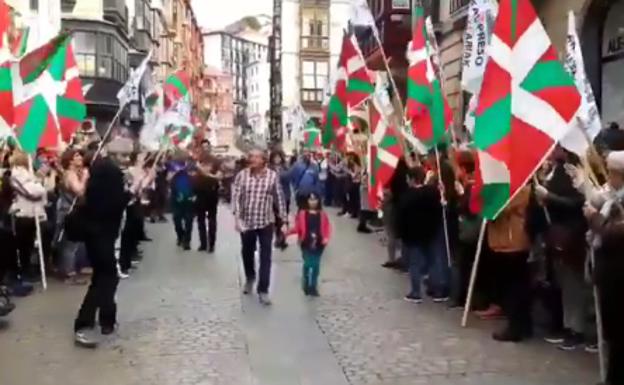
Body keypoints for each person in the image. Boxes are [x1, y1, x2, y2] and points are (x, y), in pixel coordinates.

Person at [535, 147, 591, 351]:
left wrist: (549, 196)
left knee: (575, 285)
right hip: (557, 233)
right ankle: (568, 326)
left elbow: (576, 202)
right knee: (564, 284)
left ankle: (578, 329)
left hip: (573, 235)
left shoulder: (578, 172)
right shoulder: (557, 169)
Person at [74, 146, 127, 348]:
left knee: (101, 278)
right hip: (102, 239)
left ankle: (106, 320)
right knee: (106, 280)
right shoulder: (111, 194)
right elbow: (119, 204)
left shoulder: (95, 190)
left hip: (94, 239)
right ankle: (89, 322)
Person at [584, 150, 624, 385]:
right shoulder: (613, 196)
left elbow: (614, 233)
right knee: (612, 331)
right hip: (609, 271)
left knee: (619, 332)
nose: (608, 177)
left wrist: (594, 217)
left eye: (612, 173)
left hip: (619, 272)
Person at [231, 148, 287, 306]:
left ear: (264, 160)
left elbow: (279, 197)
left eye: (257, 157)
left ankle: (263, 289)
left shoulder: (272, 176)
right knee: (247, 251)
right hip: (247, 221)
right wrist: (236, 218)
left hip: (265, 221)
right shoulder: (242, 175)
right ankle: (250, 277)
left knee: (266, 256)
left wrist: (283, 219)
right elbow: (235, 196)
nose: (253, 159)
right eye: (251, 156)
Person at [488, 186, 533, 342]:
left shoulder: (519, 187)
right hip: (509, 240)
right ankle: (523, 325)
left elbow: (496, 209)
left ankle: (515, 327)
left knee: (514, 286)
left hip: (512, 241)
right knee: (518, 284)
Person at [396, 166, 445, 303]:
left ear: (412, 179)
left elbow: (402, 218)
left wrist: (401, 234)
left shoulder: (407, 196)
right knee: (433, 262)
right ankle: (437, 291)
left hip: (413, 236)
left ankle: (415, 292)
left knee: (415, 264)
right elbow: (439, 210)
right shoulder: (433, 193)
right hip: (430, 232)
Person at [9, 151, 47, 282]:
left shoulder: (27, 173)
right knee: (24, 244)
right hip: (23, 212)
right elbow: (33, 192)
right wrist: (39, 185)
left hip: (31, 212)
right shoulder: (18, 175)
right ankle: (25, 271)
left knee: (28, 243)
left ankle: (28, 269)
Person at [56, 149, 89, 284]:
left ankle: (70, 269)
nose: (80, 158)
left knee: (72, 243)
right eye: (76, 156)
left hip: (72, 210)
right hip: (68, 211)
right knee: (69, 244)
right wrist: (85, 178)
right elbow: (79, 191)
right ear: (70, 160)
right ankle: (68, 274)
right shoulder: (70, 175)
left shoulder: (73, 173)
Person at [289, 192, 331, 297]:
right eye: (311, 200)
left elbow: (327, 228)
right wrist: (287, 232)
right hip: (306, 243)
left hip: (318, 243)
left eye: (315, 200)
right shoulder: (302, 214)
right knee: (308, 264)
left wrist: (326, 238)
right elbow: (297, 228)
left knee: (315, 264)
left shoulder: (322, 215)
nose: (313, 202)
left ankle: (313, 286)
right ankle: (306, 283)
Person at [193, 155, 221, 253]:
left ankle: (211, 244)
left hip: (212, 196)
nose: (206, 166)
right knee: (201, 221)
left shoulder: (216, 167)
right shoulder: (197, 170)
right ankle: (203, 244)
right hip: (200, 196)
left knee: (212, 220)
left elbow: (218, 176)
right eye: (203, 164)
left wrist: (204, 171)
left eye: (207, 165)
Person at [169, 155, 194, 250]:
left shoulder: (190, 175)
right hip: (176, 202)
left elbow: (194, 186)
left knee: (188, 222)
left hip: (188, 201)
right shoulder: (173, 176)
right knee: (177, 222)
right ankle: (180, 236)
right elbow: (171, 185)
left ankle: (187, 241)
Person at [269, 151, 291, 249]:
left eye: (278, 157)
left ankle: (283, 237)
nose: (277, 159)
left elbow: (288, 178)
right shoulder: (269, 169)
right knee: (277, 219)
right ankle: (278, 236)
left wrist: (280, 174)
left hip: (285, 195)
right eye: (275, 157)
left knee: (284, 217)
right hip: (273, 198)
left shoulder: (285, 168)